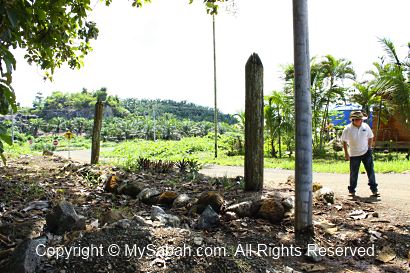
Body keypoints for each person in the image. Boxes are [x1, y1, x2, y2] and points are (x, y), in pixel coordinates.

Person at [341, 111, 379, 197]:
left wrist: (369, 147)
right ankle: (352, 190)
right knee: (353, 173)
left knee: (370, 171)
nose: (360, 121)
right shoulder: (347, 129)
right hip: (354, 154)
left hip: (366, 152)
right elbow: (344, 141)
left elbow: (370, 137)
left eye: (361, 119)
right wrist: (346, 153)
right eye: (358, 119)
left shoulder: (365, 126)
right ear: (353, 120)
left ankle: (374, 189)